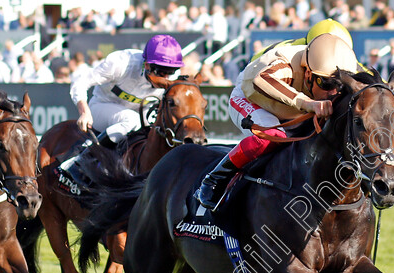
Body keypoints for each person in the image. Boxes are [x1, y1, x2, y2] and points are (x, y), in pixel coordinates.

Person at [196, 33, 358, 210]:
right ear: (308, 73)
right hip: (252, 96)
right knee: (272, 136)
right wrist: (308, 103)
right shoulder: (288, 65)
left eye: (339, 86)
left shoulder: (339, 66)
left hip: (291, 106)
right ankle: (214, 179)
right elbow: (261, 79)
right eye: (326, 84)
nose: (332, 92)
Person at [69, 34, 184, 149]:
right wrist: (84, 111)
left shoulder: (172, 77)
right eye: (161, 72)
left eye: (171, 72)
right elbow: (80, 82)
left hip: (140, 113)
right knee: (131, 120)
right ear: (147, 65)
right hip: (102, 106)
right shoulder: (120, 63)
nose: (166, 79)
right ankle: (85, 153)